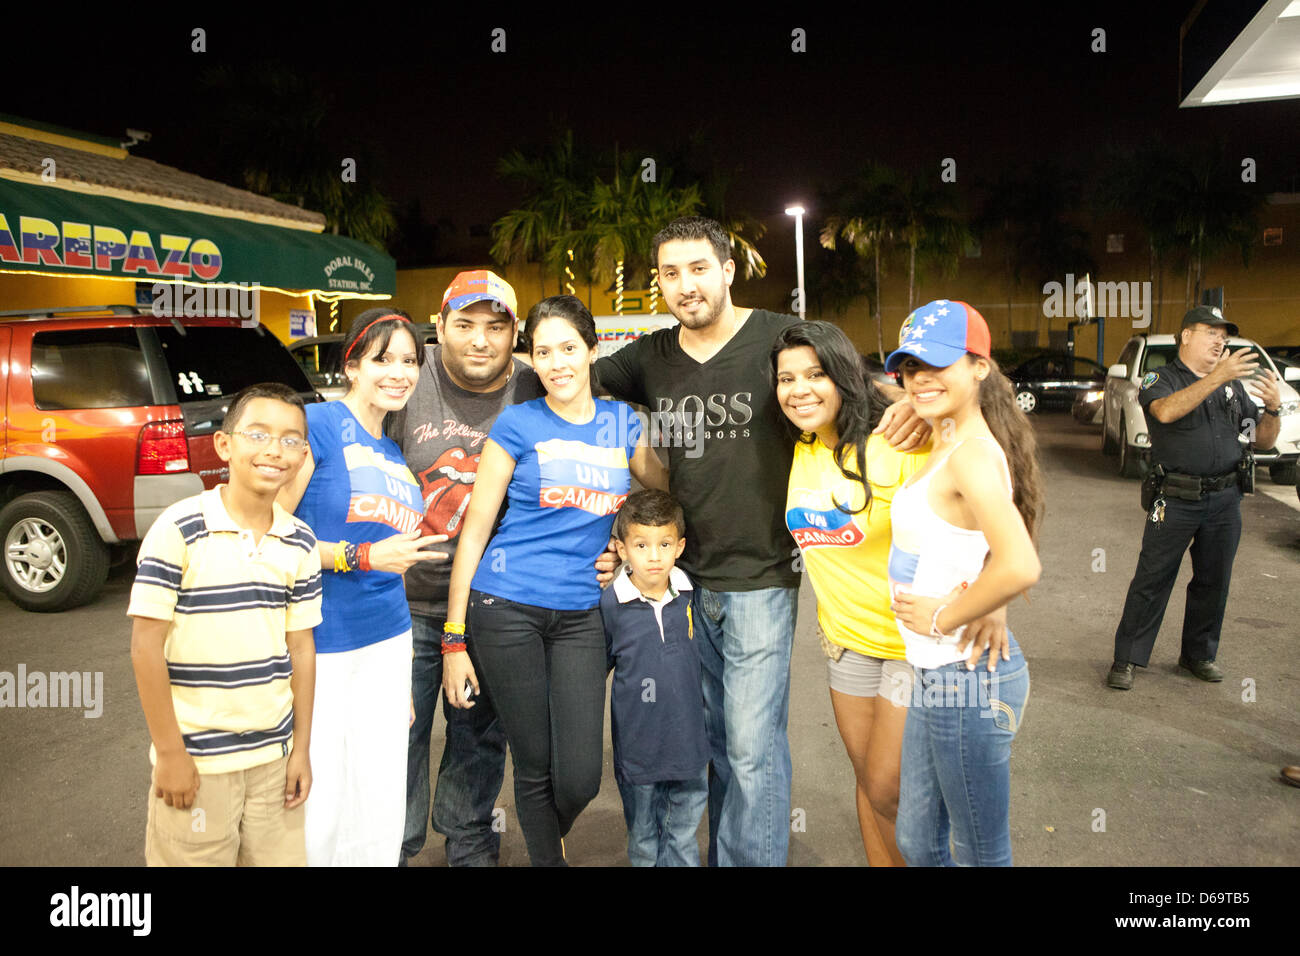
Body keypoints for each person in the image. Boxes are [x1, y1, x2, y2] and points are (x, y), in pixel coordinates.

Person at [593, 215, 929, 866]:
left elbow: (858, 385)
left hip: (760, 579)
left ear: (727, 269)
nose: (685, 285)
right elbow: (569, 386)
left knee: (751, 746)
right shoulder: (650, 358)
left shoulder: (779, 340)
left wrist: (914, 400)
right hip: (683, 583)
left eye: (698, 268)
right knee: (715, 741)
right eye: (669, 273)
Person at [442, 295, 668, 866]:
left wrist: (622, 546)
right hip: (505, 604)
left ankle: (548, 831)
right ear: (532, 360)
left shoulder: (623, 423)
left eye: (569, 348)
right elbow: (474, 534)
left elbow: (663, 502)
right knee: (535, 763)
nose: (556, 362)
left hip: (582, 615)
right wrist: (454, 637)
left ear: (594, 351)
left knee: (580, 776)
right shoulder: (517, 423)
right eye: (543, 352)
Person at [773, 320, 1007, 867]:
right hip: (845, 645)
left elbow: (989, 504)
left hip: (910, 646)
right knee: (868, 782)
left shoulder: (901, 442)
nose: (799, 389)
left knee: (888, 786)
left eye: (816, 373)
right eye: (786, 379)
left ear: (843, 376)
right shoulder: (799, 446)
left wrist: (991, 595)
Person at [278, 309, 447, 866]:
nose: (398, 372)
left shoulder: (395, 454)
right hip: (321, 640)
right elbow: (266, 536)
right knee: (318, 791)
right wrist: (363, 555)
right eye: (383, 359)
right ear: (352, 365)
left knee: (378, 792)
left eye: (409, 362)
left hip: (390, 640)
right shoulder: (315, 427)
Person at [387, 270, 543, 867]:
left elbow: (587, 448)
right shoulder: (408, 376)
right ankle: (393, 846)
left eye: (496, 327)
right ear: (440, 327)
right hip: (403, 601)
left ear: (514, 335)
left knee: (478, 738)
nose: (480, 340)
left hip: (494, 602)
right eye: (466, 325)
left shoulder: (533, 386)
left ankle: (470, 843)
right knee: (398, 736)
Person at [128, 383, 321, 866]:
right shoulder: (179, 529)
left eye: (291, 439)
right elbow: (145, 647)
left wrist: (300, 750)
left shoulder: (299, 542)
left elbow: (301, 650)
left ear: (302, 456)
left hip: (273, 762)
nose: (275, 449)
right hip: (198, 762)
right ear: (224, 444)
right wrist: (171, 754)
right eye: (258, 434)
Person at [884, 299, 1043, 867]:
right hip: (936, 675)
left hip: (968, 677)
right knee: (918, 842)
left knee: (978, 853)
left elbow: (1020, 564)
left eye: (937, 364)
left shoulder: (970, 455)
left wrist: (940, 616)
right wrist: (907, 399)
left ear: (980, 367)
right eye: (908, 369)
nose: (920, 380)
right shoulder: (946, 438)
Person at [1107, 306, 1282, 690]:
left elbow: (1261, 438)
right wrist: (1217, 376)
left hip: (1224, 500)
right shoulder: (1162, 378)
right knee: (1152, 579)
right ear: (1186, 336)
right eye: (1211, 333)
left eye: (1223, 336)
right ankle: (1128, 658)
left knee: (1213, 581)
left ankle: (1197, 654)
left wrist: (1272, 408)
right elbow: (1165, 412)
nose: (1220, 342)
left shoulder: (1233, 388)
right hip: (1175, 498)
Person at [602, 489, 709, 867]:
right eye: (641, 545)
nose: (654, 556)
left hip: (690, 747)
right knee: (644, 842)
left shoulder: (691, 595)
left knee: (682, 839)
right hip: (638, 751)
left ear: (679, 546)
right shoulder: (611, 604)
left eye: (664, 544)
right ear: (622, 548)